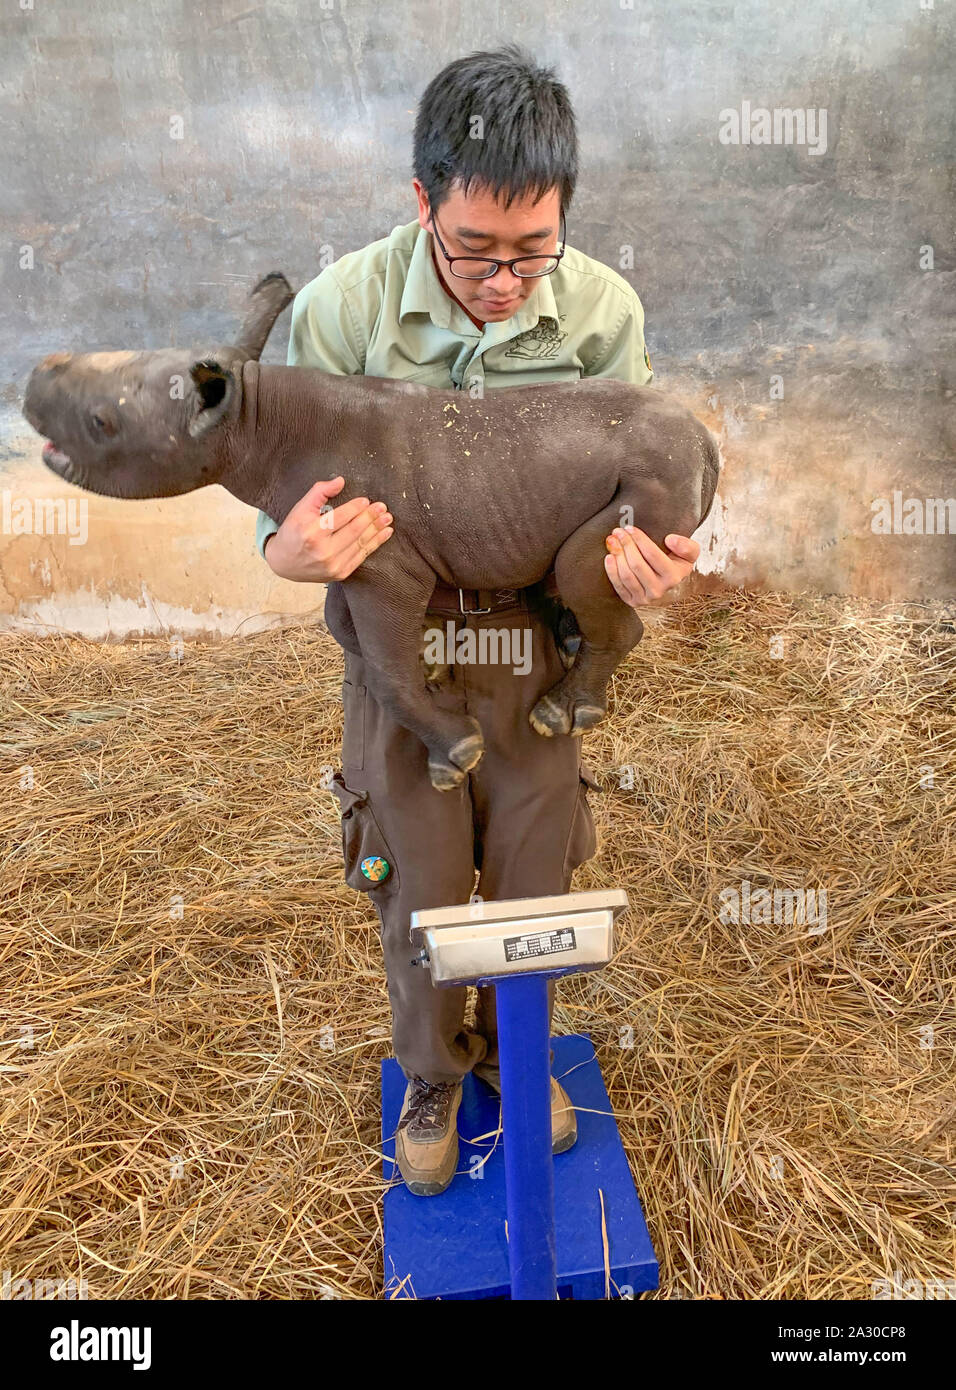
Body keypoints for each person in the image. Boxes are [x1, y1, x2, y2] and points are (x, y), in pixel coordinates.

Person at [257, 45, 701, 1196]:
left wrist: (645, 568)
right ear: (420, 201)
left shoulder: (603, 314)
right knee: (413, 871)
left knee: (533, 871)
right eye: (471, 252)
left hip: (538, 637)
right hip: (402, 638)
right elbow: (276, 487)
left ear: (564, 216)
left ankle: (514, 1048)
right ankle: (431, 1069)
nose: (503, 283)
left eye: (530, 252)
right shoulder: (341, 310)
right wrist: (281, 552)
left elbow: (628, 507)